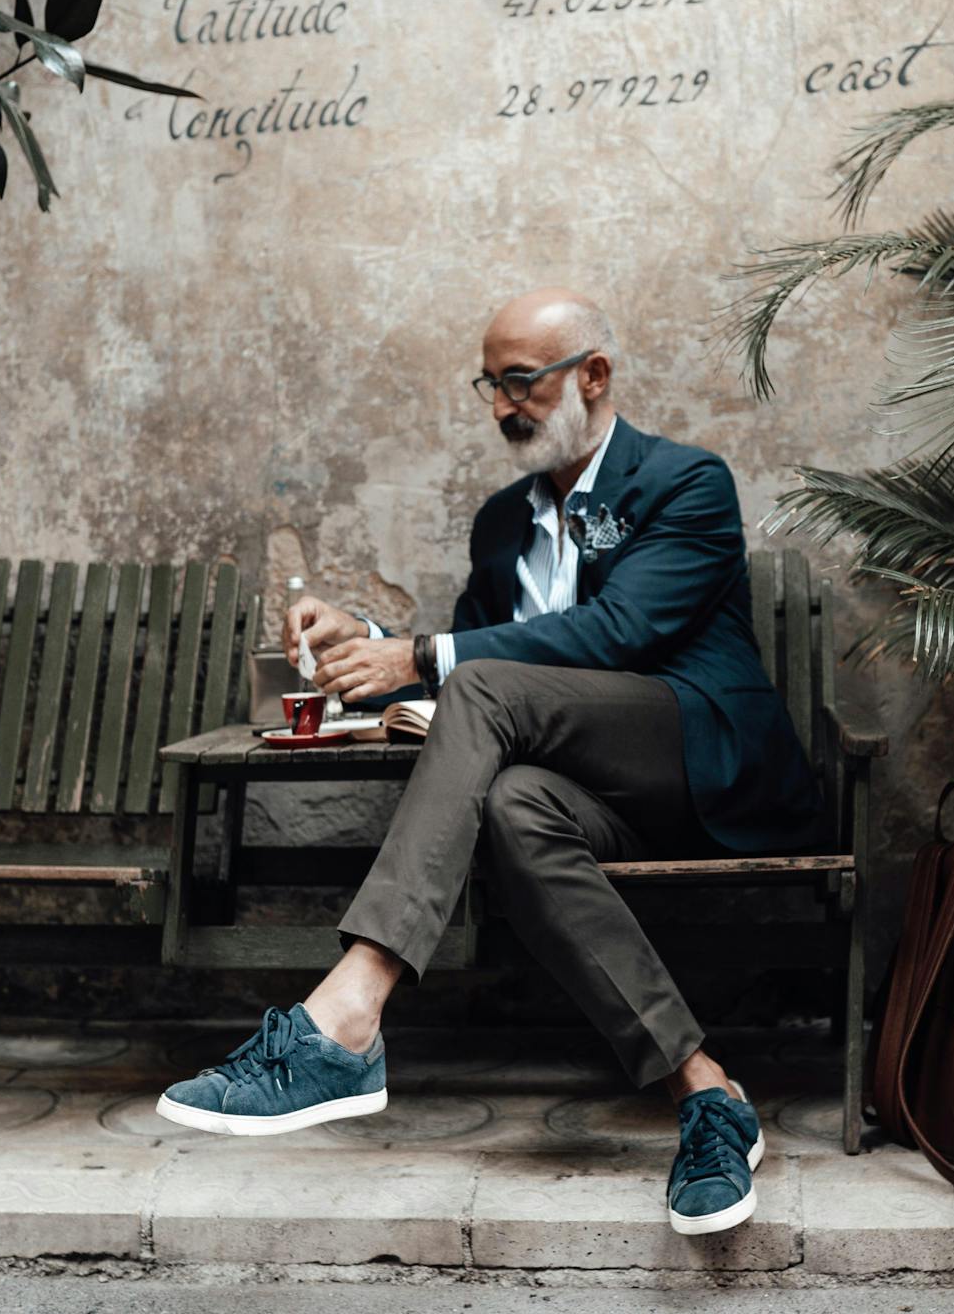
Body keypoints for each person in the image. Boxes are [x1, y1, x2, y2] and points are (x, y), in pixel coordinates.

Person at [155, 288, 827, 1236]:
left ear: (593, 376)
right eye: (492, 385)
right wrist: (372, 639)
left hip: (699, 766)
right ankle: (707, 1092)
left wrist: (423, 655)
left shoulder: (685, 484)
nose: (507, 406)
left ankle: (346, 1017)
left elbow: (620, 633)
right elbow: (476, 660)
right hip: (580, 796)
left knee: (478, 689)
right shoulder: (503, 521)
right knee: (511, 803)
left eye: (524, 381)